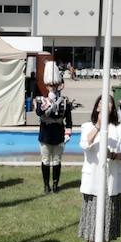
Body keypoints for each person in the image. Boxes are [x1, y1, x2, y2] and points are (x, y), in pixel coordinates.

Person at [80, 96, 121, 242]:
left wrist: (114, 156)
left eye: (108, 103)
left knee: (108, 220)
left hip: (111, 181)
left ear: (112, 108)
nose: (104, 106)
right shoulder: (87, 126)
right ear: (96, 108)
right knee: (92, 219)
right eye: (101, 103)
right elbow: (85, 144)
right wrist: (98, 126)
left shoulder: (120, 128)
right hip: (93, 180)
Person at [37, 63, 73, 193]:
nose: (53, 88)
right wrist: (48, 105)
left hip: (58, 134)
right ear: (46, 86)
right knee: (46, 160)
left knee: (57, 160)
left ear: (59, 85)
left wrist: (68, 133)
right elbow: (39, 113)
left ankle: (55, 184)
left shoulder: (64, 102)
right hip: (45, 134)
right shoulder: (42, 101)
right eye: (50, 85)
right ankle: (46, 185)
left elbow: (68, 120)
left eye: (55, 85)